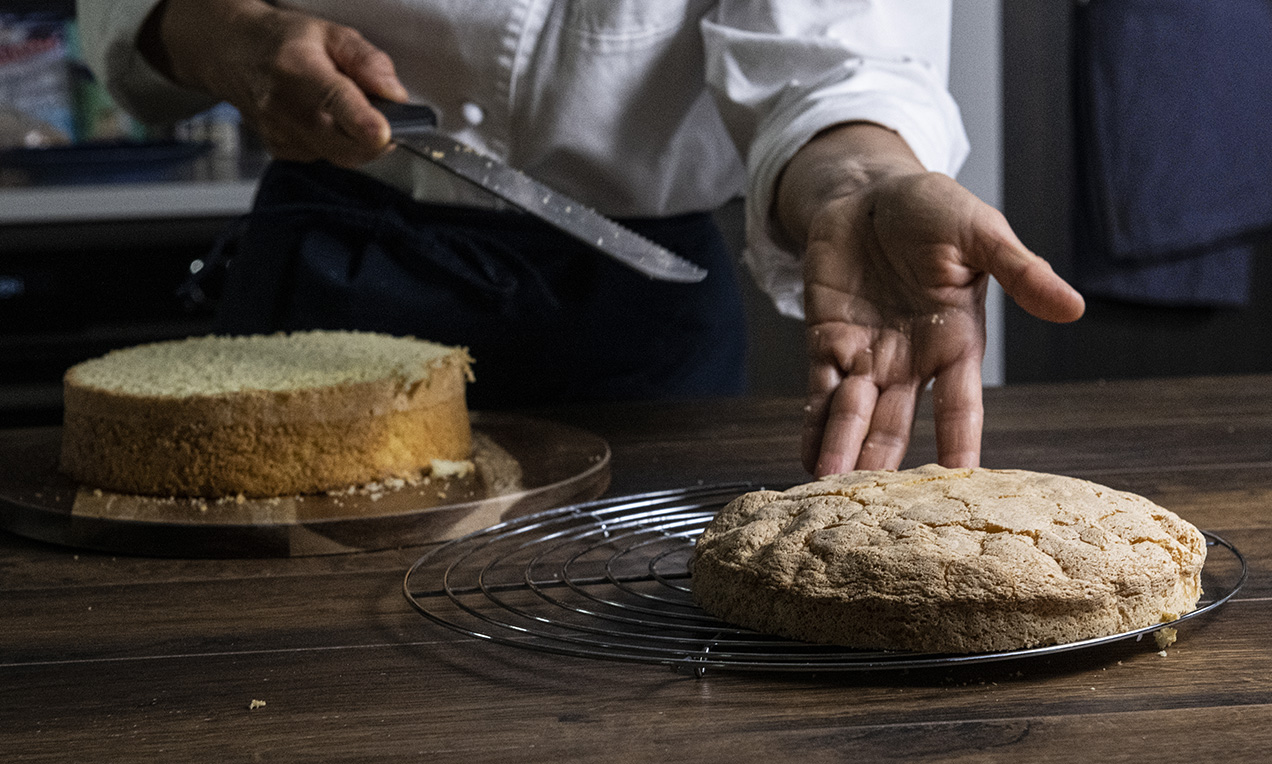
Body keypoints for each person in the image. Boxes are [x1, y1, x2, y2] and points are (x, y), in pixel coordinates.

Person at [77, 0, 1085, 477]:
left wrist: (865, 184)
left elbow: (836, 59)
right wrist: (228, 37)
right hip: (335, 256)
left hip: (639, 308)